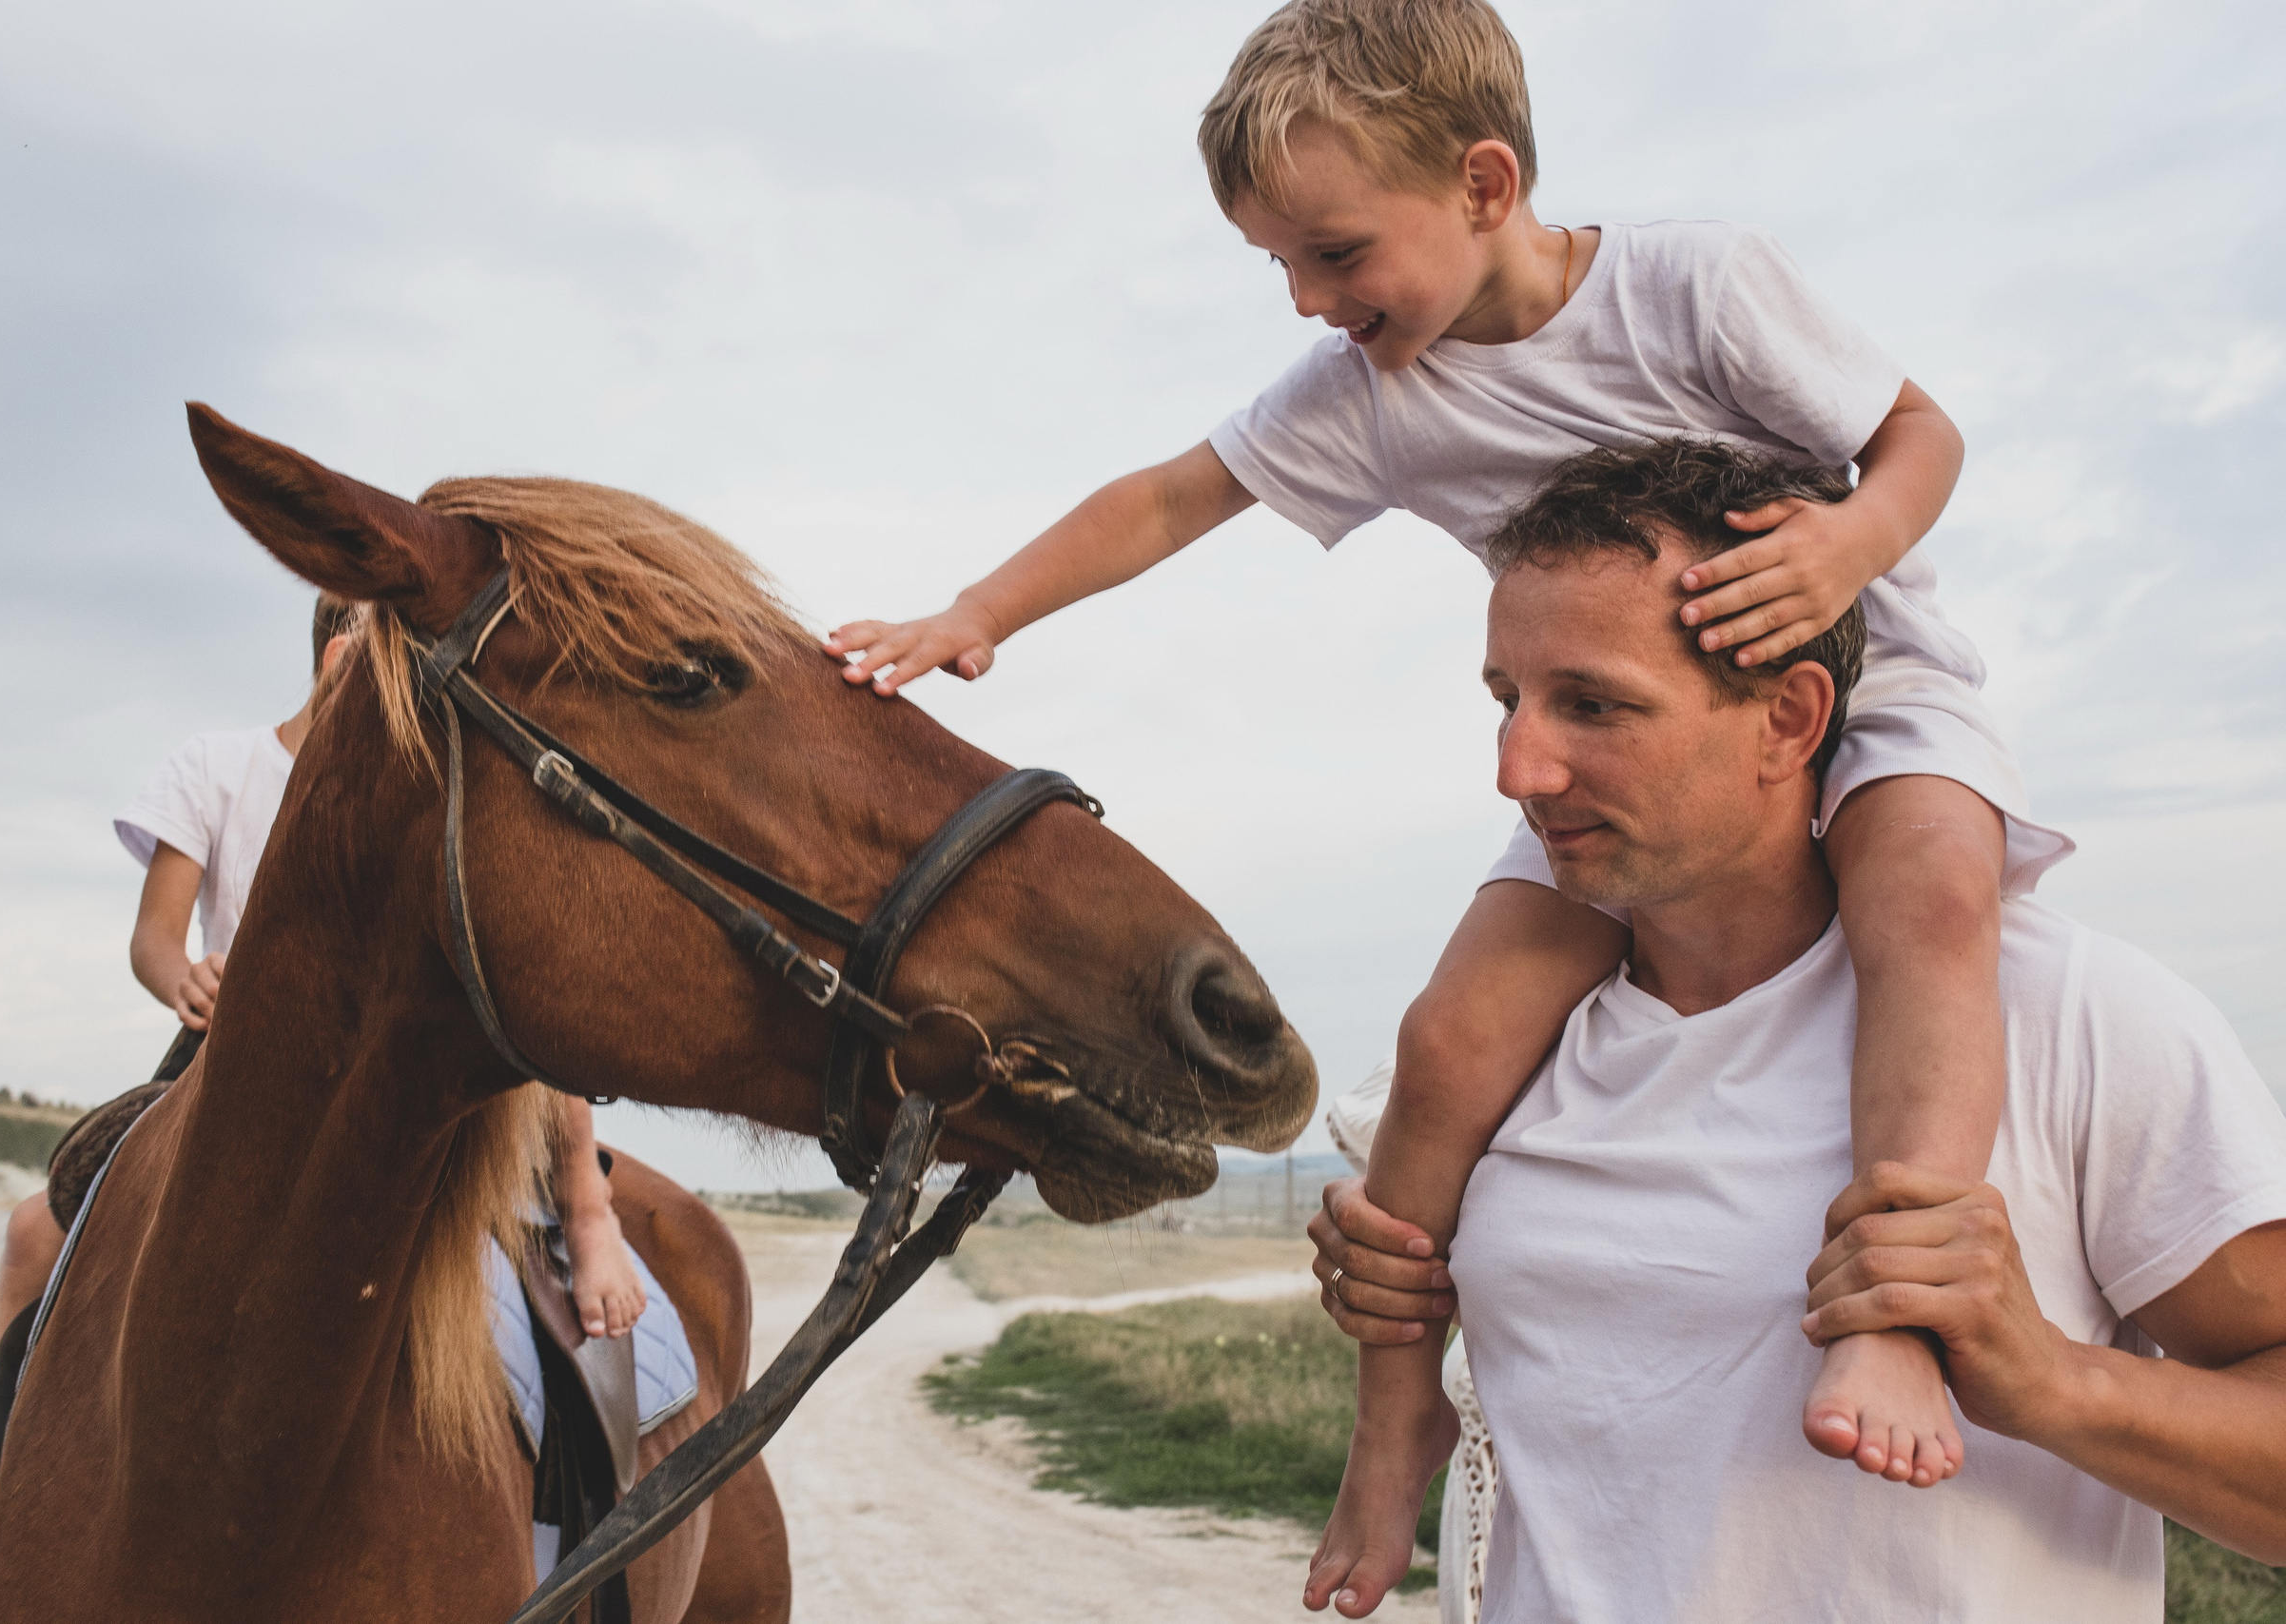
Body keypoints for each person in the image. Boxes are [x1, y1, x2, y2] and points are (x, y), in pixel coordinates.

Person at [823, 0, 2068, 1501]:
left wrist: (1851, 541)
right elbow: (1168, 497)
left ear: (1485, 185)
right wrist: (977, 611)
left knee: (1931, 904)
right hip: (1609, 768)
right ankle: (1397, 1412)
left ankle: (1904, 1318)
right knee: (1449, 1041)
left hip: (1872, 694)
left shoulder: (1696, 288)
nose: (1303, 298)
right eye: (1275, 263)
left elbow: (1919, 430)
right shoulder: (1379, 396)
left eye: (1334, 253)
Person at [1302, 438, 2286, 1620]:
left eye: (1594, 706)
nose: (1520, 769)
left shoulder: (2069, 1014)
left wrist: (2052, 1383)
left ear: (1788, 718)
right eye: (1508, 701)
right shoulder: (1509, 1045)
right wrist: (1389, 1283)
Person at [0, 596, 647, 1624]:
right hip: (226, 1076)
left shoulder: (445, 797)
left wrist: (589, 1208)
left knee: (526, 1298)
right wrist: (183, 977)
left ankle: (582, 1555)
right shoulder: (218, 768)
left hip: (404, 1107)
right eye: (387, 645)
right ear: (337, 646)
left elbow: (532, 1010)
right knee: (35, 1234)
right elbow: (155, 938)